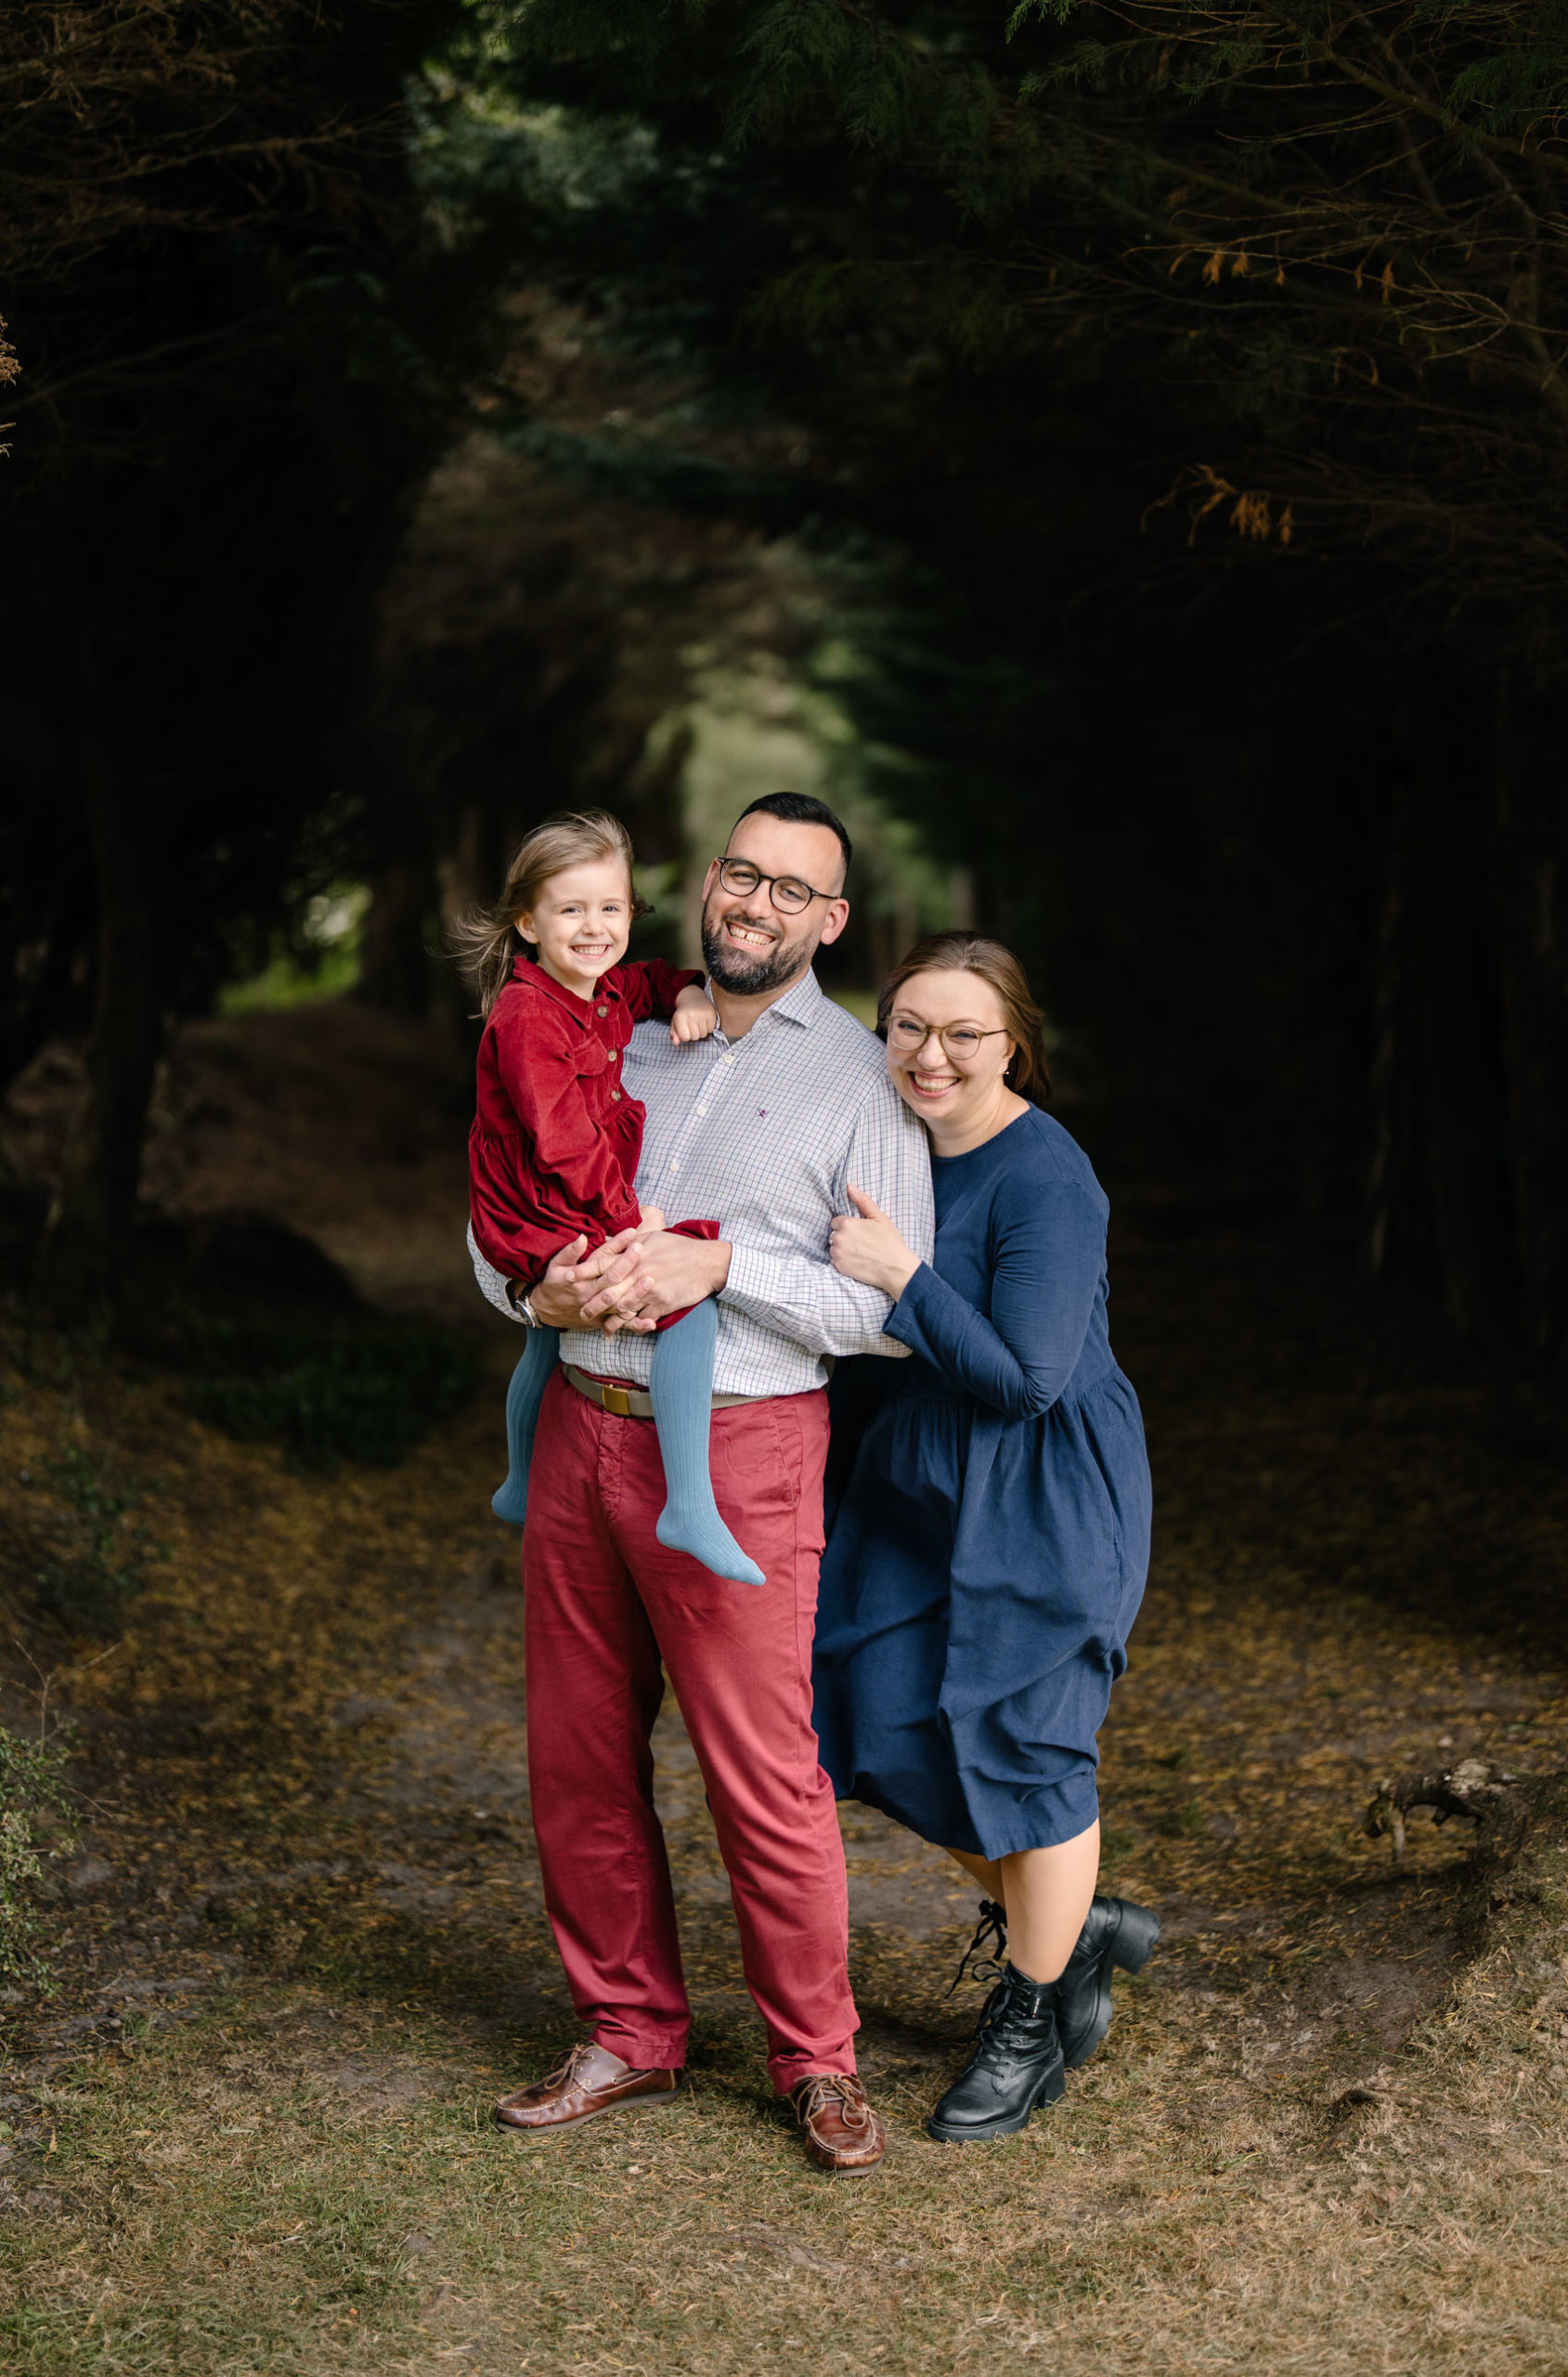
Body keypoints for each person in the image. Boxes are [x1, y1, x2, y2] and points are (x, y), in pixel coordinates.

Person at [467, 793, 933, 2174]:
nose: (754, 905)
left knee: (760, 1773)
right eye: (740, 875)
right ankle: (628, 2031)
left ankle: (815, 2060)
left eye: (791, 891)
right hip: (578, 1423)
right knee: (578, 1754)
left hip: (741, 1450)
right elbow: (493, 1206)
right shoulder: (605, 1020)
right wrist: (523, 1286)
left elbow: (891, 1314)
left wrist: (724, 1267)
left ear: (829, 921)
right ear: (708, 883)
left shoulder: (859, 1082)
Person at [818, 931, 1158, 2145]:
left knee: (1024, 1751)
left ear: (1010, 1041)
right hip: (912, 1488)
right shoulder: (885, 1145)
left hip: (1042, 1496)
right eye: (908, 1024)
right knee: (861, 1714)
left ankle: (1032, 2015)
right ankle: (1069, 1922)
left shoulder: (1043, 1177)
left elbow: (1024, 1378)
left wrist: (904, 1279)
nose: (931, 1054)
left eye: (963, 1032)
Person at [456, 808, 763, 1586]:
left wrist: (690, 990)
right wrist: (632, 1225)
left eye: (610, 907)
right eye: (570, 910)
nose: (594, 927)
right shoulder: (528, 1017)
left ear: (630, 911)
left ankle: (520, 1482)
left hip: (549, 1193)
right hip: (543, 1199)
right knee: (684, 1292)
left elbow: (650, 980)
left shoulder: (593, 987)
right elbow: (563, 1143)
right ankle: (689, 1504)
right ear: (527, 922)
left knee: (545, 1335)